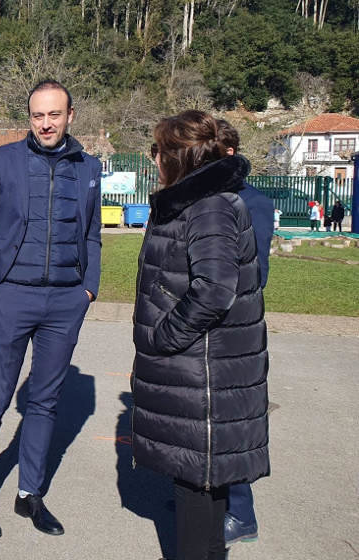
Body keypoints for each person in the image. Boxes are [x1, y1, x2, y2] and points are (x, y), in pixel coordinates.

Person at [0, 80, 102, 539]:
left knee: (44, 402)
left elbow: (92, 235)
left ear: (70, 116)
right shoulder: (1, 161)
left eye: (54, 115)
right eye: (38, 115)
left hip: (65, 301)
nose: (46, 123)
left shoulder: (89, 168)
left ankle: (29, 495)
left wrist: (87, 291)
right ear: (30, 117)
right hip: (12, 296)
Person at [132, 110, 269, 560]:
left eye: (158, 151)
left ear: (179, 156)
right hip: (194, 375)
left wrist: (163, 336)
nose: (154, 159)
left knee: (197, 507)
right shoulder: (195, 201)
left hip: (202, 378)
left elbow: (214, 290)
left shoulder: (209, 205)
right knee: (200, 500)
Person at [216, 119, 275, 548]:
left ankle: (242, 513)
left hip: (233, 327)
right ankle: (212, 505)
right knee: (210, 422)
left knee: (231, 424)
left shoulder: (251, 202)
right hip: (211, 325)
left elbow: (254, 273)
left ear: (230, 154)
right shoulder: (213, 197)